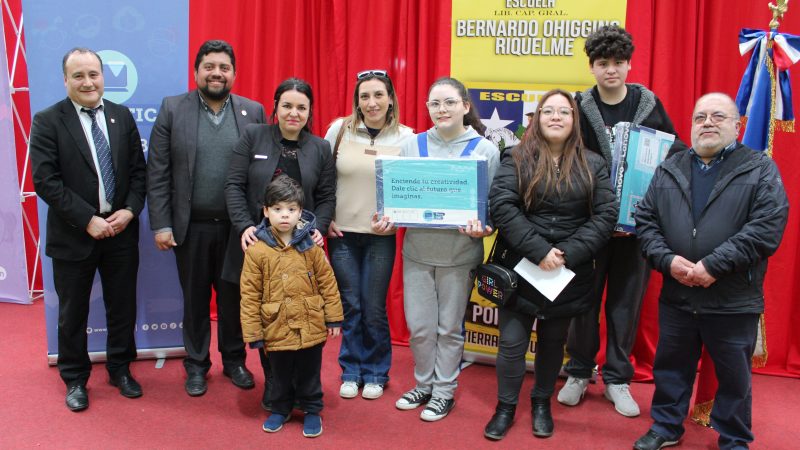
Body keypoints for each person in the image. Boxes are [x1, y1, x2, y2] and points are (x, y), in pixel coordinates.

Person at [632, 93, 789, 450]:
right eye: (700, 116)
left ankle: (734, 438)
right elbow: (647, 221)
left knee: (734, 378)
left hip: (732, 298)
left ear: (737, 125)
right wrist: (667, 261)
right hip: (678, 293)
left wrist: (713, 266)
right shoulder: (669, 168)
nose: (708, 123)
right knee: (670, 368)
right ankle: (667, 426)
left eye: (718, 116)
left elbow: (766, 228)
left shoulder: (759, 168)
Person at [558, 24, 688, 417]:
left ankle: (617, 377)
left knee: (625, 304)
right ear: (592, 68)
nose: (610, 70)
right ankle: (579, 371)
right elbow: (563, 156)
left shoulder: (648, 103)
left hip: (636, 229)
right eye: (602, 63)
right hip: (589, 224)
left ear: (629, 64)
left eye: (617, 63)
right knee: (582, 301)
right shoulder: (578, 106)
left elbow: (672, 153)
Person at [486, 89, 617, 439]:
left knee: (552, 343)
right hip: (521, 268)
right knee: (511, 344)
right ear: (537, 118)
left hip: (567, 272)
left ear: (575, 121)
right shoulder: (514, 157)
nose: (556, 117)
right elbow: (502, 207)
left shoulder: (594, 164)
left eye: (564, 112)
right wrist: (539, 250)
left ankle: (541, 402)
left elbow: (606, 215)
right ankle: (506, 407)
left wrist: (567, 254)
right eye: (548, 111)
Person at [30, 47, 147, 411]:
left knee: (122, 306)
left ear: (103, 77)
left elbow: (138, 174)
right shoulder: (47, 121)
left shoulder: (121, 116)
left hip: (121, 232)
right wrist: (87, 219)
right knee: (73, 312)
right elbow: (46, 182)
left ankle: (120, 369)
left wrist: (129, 210)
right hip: (73, 235)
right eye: (78, 75)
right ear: (65, 80)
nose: (87, 82)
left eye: (93, 74)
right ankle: (75, 378)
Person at [147, 40, 265, 396]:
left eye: (224, 68)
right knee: (195, 299)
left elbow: (261, 172)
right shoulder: (173, 109)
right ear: (197, 71)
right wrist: (162, 223)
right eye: (210, 66)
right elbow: (158, 171)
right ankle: (196, 365)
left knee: (233, 299)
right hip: (191, 227)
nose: (217, 73)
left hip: (239, 229)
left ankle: (233, 361)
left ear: (234, 74)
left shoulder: (253, 111)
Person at [385, 77, 499, 422]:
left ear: (465, 106)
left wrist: (484, 227)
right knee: (419, 327)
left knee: (449, 328)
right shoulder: (411, 146)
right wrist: (388, 218)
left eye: (449, 102)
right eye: (434, 103)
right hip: (417, 252)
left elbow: (491, 211)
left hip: (460, 255)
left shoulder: (485, 150)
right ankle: (424, 384)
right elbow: (397, 201)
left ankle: (444, 391)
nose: (441, 109)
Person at [225, 77, 336, 410]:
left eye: (301, 107)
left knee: (297, 314)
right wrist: (244, 225)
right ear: (275, 107)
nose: (293, 113)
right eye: (287, 105)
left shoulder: (320, 148)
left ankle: (302, 389)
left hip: (301, 249)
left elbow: (328, 196)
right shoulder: (253, 135)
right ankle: (275, 386)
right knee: (266, 312)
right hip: (255, 246)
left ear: (309, 112)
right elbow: (233, 185)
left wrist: (321, 227)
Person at [323, 70, 414, 400]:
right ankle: (350, 369)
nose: (371, 102)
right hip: (342, 234)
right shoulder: (339, 130)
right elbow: (323, 179)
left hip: (380, 237)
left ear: (390, 99)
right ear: (357, 102)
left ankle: (376, 371)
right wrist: (326, 218)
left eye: (378, 95)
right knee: (351, 305)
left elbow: (412, 190)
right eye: (364, 96)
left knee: (374, 307)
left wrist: (397, 220)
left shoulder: (407, 138)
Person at [239, 175, 343, 438]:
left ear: (300, 212)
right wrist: (253, 332)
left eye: (291, 209)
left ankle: (311, 410)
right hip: (275, 324)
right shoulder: (257, 251)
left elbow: (327, 282)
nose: (284, 215)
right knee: (280, 373)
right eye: (277, 209)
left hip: (310, 322)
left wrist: (333, 318)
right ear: (266, 211)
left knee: (310, 372)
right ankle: (280, 408)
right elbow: (249, 294)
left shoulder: (311, 246)